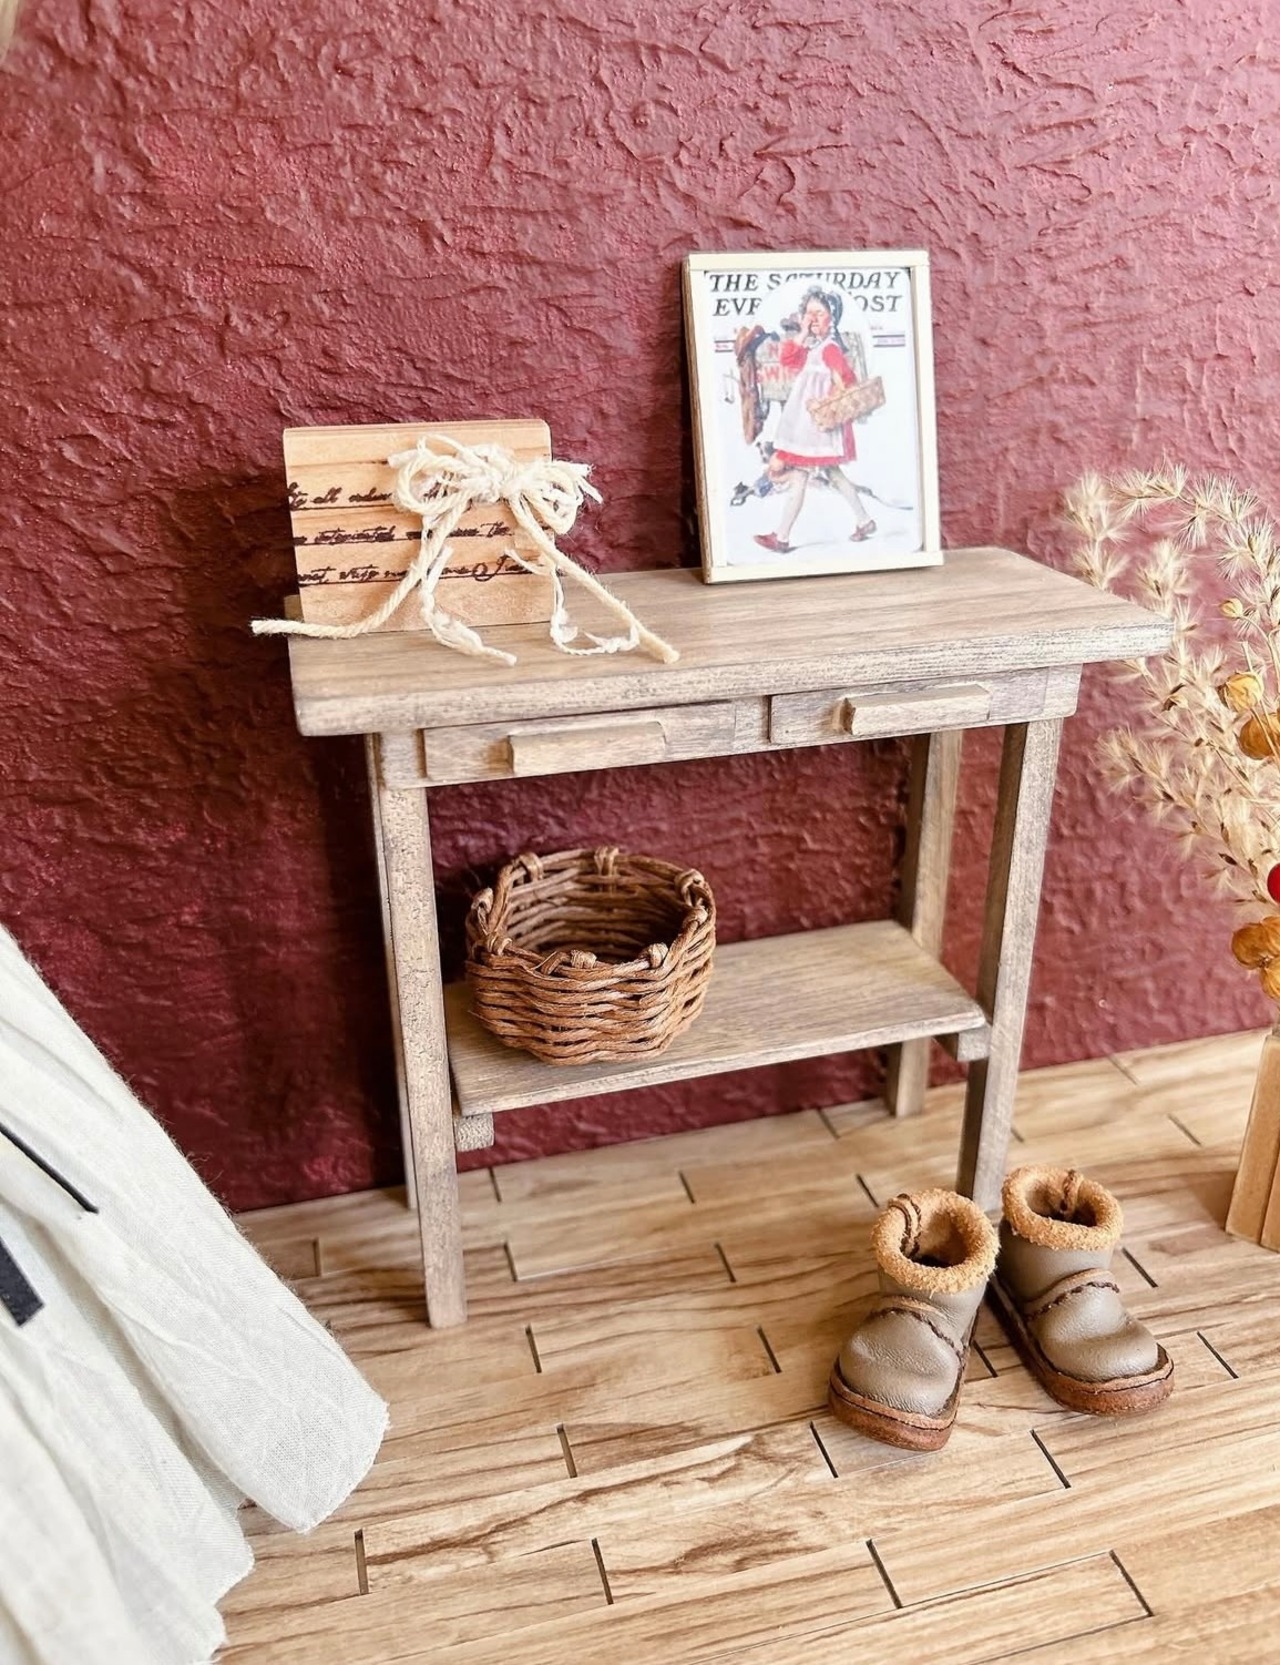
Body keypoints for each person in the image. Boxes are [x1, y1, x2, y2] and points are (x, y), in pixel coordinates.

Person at [754, 287, 876, 554]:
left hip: (817, 428)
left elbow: (846, 383)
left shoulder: (830, 348)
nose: (812, 319)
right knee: (832, 473)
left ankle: (781, 537)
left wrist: (824, 400)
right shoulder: (814, 347)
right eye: (808, 313)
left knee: (802, 474)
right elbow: (787, 359)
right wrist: (802, 332)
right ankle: (864, 521)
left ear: (832, 318)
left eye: (819, 313)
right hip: (806, 427)